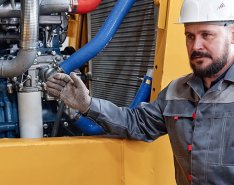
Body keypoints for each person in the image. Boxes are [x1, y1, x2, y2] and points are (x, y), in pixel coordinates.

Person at [46, 0, 234, 184]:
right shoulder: (177, 91)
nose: (196, 46)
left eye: (207, 35)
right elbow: (137, 123)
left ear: (232, 35)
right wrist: (87, 105)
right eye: (190, 36)